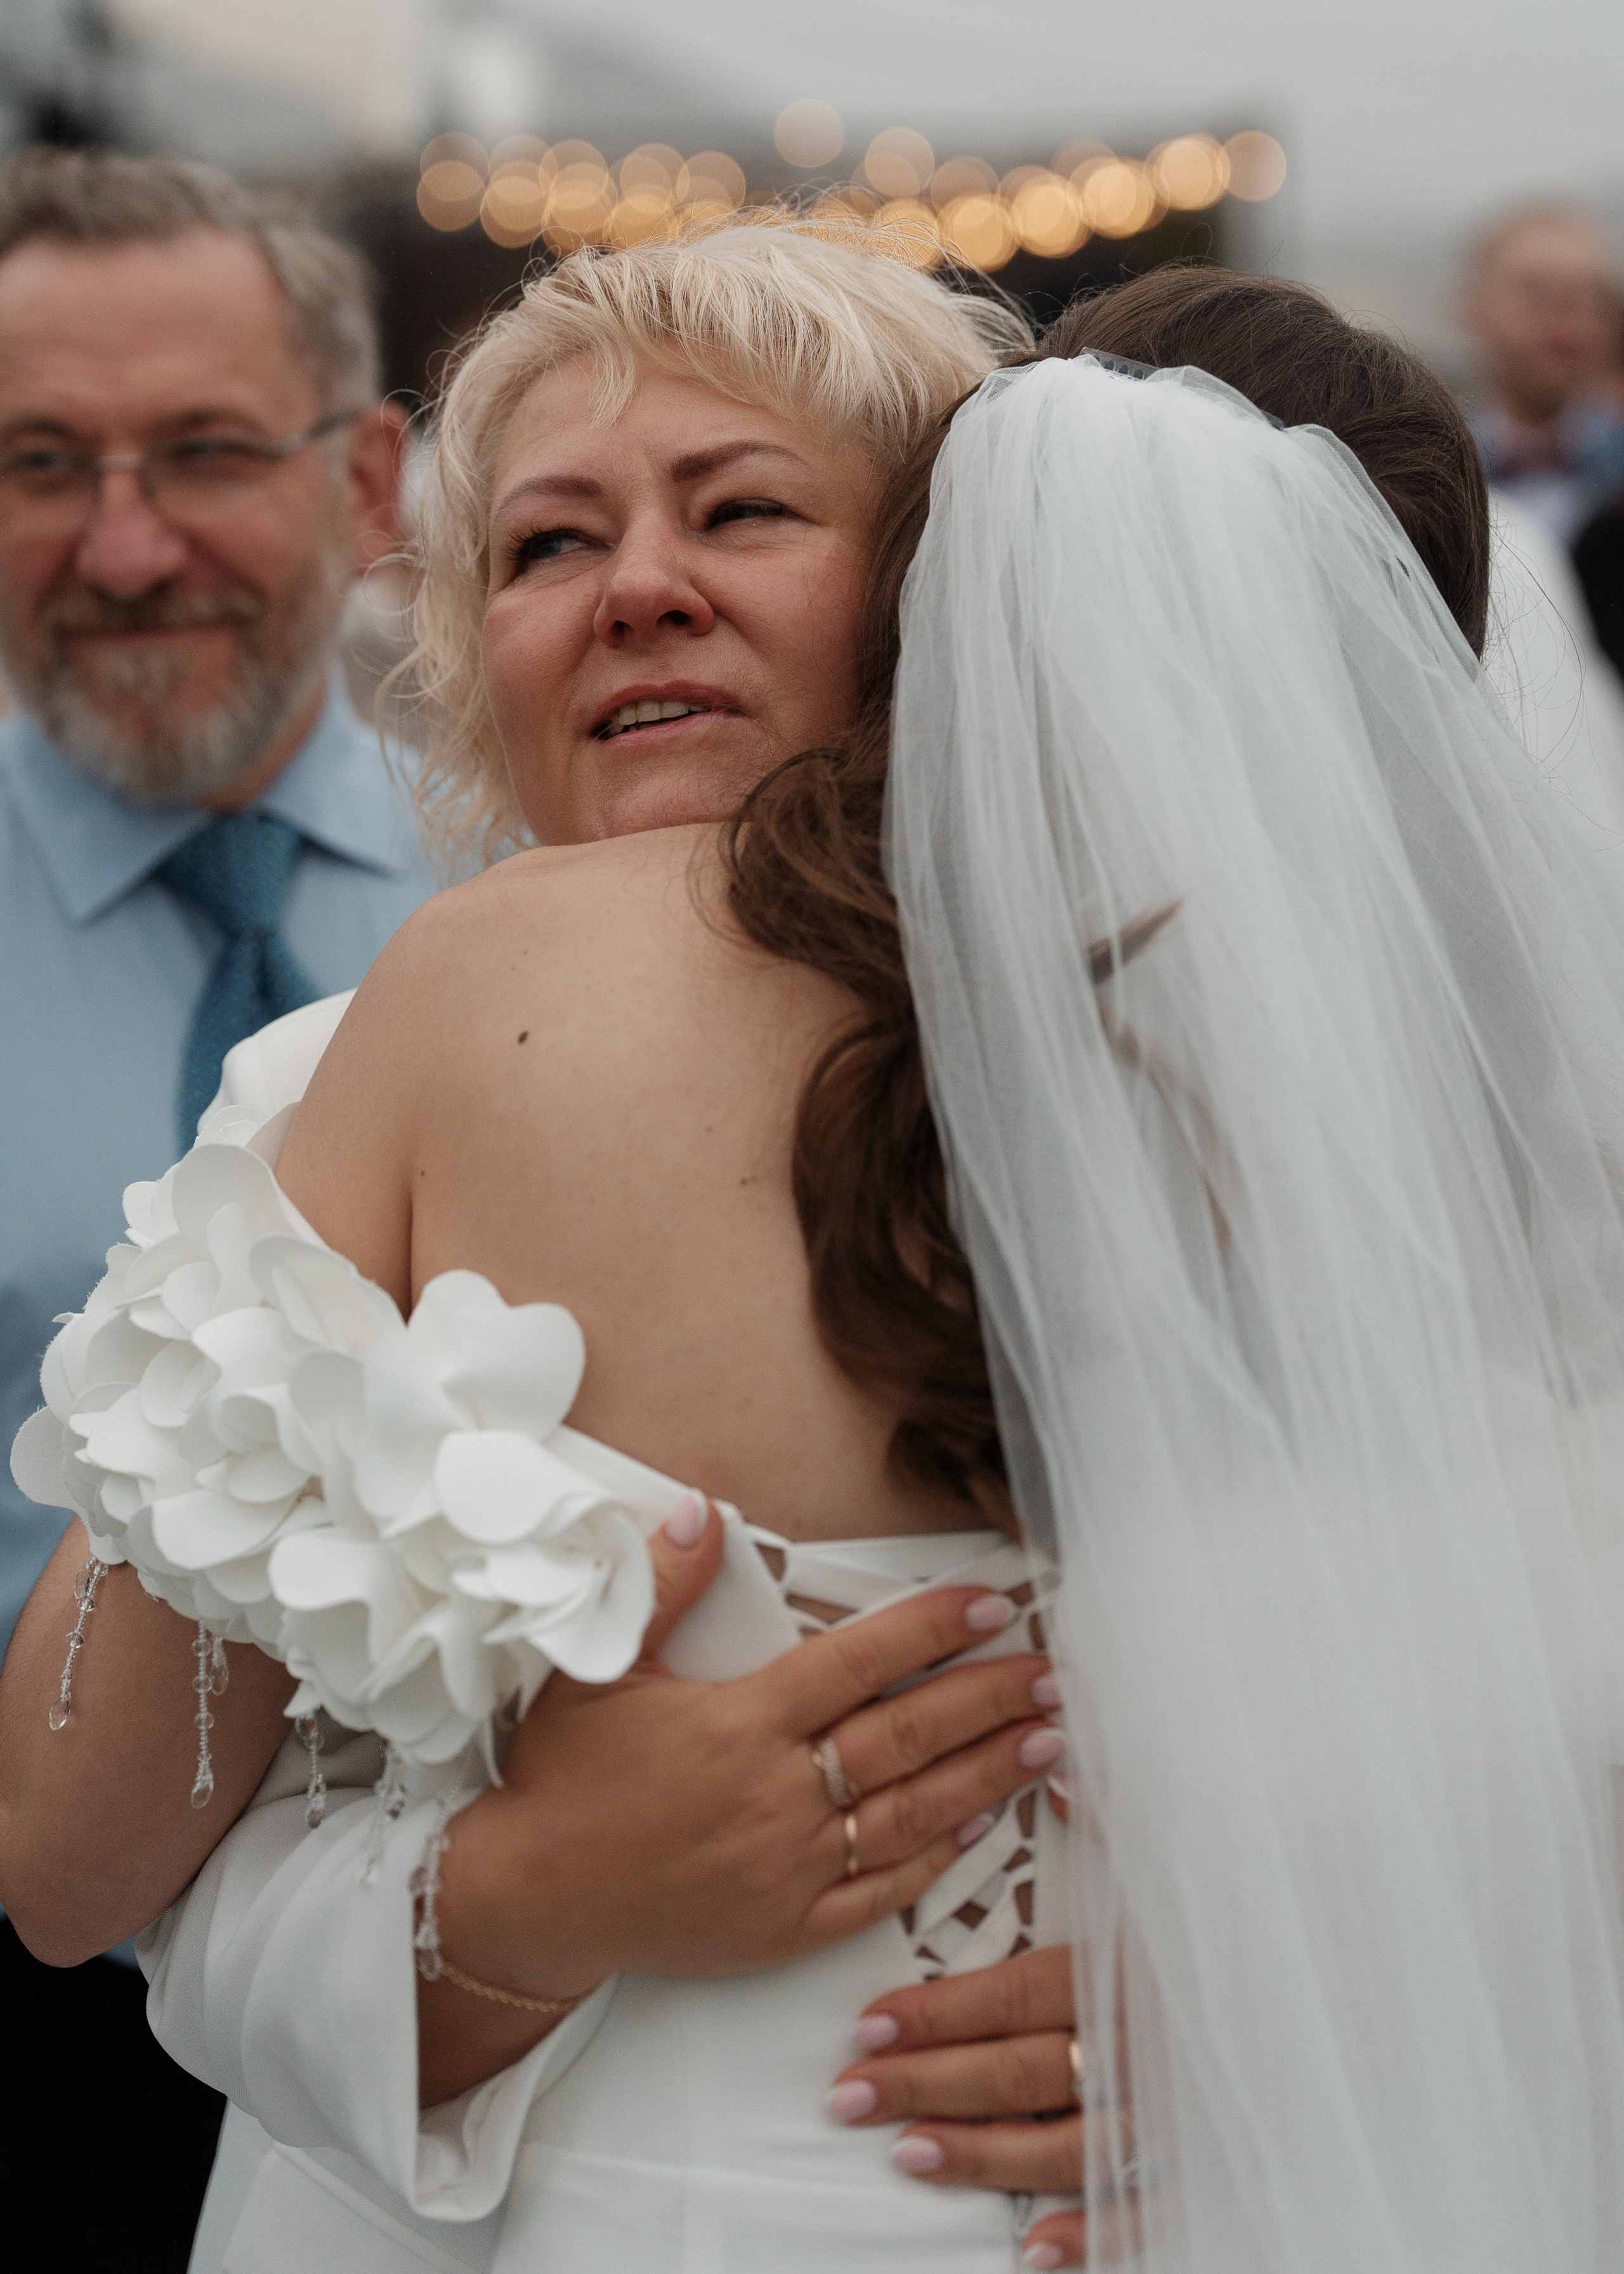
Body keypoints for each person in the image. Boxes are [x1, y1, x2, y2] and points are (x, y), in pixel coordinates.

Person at [10, 249, 1604, 2273]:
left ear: (957, 587)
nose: (636, 589)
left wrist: (1280, 2024)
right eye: (546, 544)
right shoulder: (367, 1069)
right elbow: (84, 1854)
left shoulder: (1332, 1125)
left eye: (743, 509)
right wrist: (523, 1906)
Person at [0, 145, 439, 2269]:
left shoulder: (551, 872)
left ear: (364, 483)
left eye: (199, 453)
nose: (123, 545)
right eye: (40, 464)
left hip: (485, 1994)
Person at [1462, 202, 1624, 549]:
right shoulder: (1431, 467)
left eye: (1586, 297)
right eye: (1535, 292)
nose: (1562, 315)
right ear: (1473, 307)